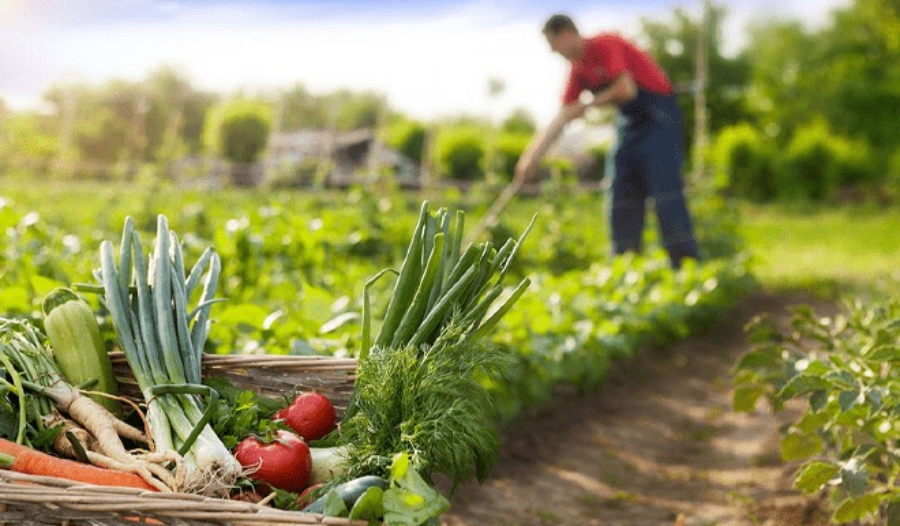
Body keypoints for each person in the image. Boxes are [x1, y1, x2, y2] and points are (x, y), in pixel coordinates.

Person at [514, 13, 700, 267]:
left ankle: (687, 268)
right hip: (629, 124)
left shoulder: (605, 44)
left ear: (566, 34)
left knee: (665, 194)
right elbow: (562, 116)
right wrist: (530, 159)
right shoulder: (578, 71)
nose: (553, 51)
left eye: (553, 43)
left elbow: (626, 89)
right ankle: (625, 269)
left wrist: (589, 104)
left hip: (659, 118)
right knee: (620, 191)